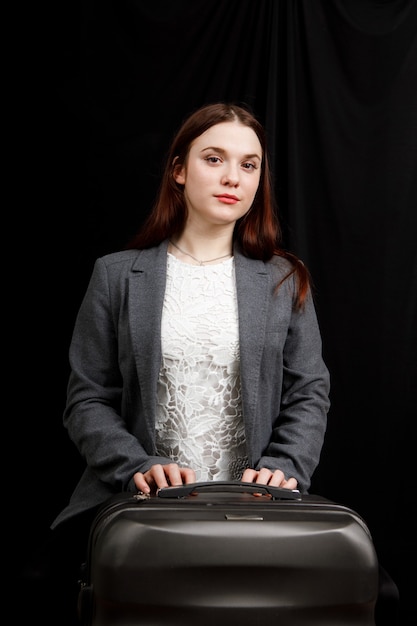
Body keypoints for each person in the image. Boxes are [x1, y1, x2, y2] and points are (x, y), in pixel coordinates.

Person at [24, 102, 332, 624]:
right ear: (179, 170)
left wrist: (285, 468)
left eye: (249, 165)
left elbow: (310, 390)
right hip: (143, 514)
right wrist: (137, 467)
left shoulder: (284, 281)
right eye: (214, 159)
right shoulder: (117, 276)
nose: (233, 176)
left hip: (253, 514)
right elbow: (87, 398)